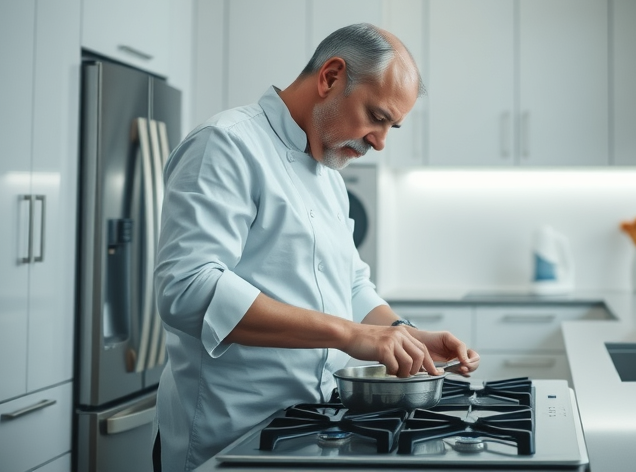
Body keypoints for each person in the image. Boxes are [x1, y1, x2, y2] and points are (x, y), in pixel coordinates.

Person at [152, 23, 479, 472]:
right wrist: (352, 335)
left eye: (392, 127)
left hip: (314, 431)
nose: (380, 142)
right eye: (377, 117)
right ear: (331, 77)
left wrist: (404, 334)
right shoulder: (226, 144)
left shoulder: (329, 176)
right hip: (228, 441)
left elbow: (351, 285)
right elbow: (186, 289)